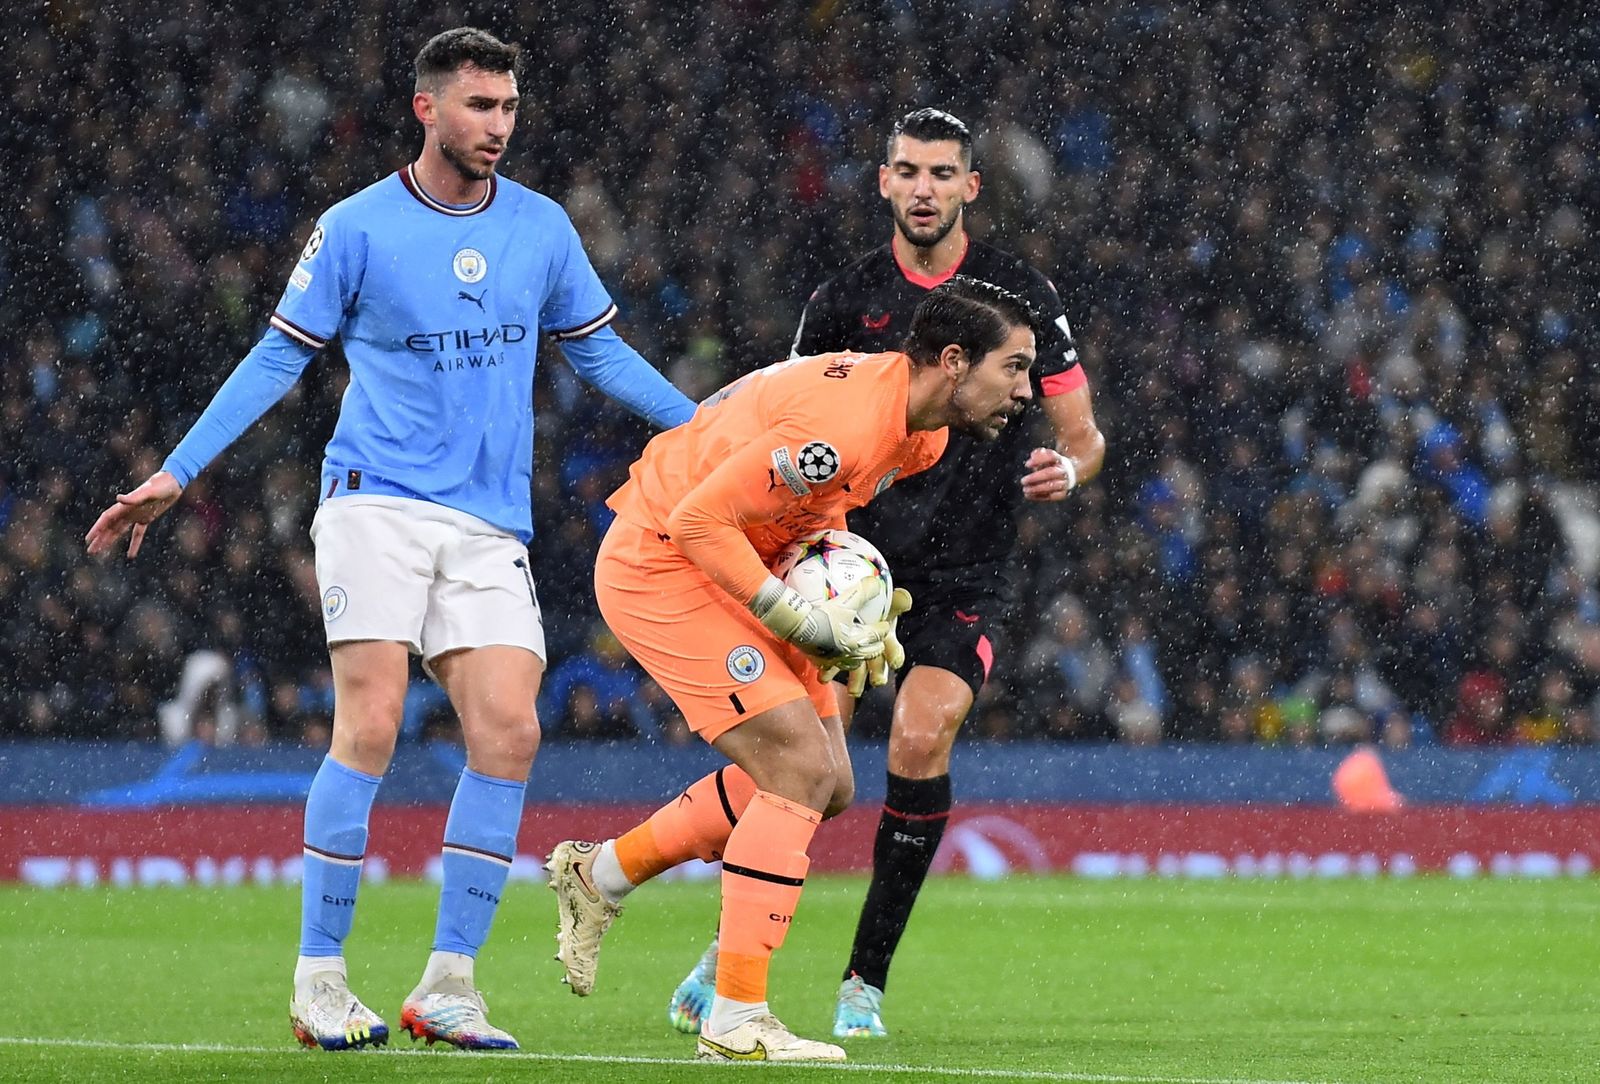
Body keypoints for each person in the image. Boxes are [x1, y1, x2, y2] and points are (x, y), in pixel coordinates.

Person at [85, 28, 695, 1052]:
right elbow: (275, 362)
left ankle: (448, 983)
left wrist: (706, 429)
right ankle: (319, 979)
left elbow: (601, 357)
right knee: (367, 724)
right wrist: (176, 472)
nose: (497, 126)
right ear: (427, 109)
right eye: (477, 107)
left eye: (507, 108)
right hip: (375, 502)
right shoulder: (356, 228)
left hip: (487, 520)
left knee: (510, 732)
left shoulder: (541, 229)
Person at [666, 107, 1106, 1039]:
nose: (922, 189)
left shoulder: (1020, 294)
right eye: (907, 171)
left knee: (919, 738)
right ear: (882, 181)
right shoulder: (843, 298)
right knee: (802, 768)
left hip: (966, 566)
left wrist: (1067, 469)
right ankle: (725, 955)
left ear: (970, 188)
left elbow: (1084, 436)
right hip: (843, 556)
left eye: (942, 174)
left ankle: (863, 979)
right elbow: (777, 420)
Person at [545, 277, 1043, 1062]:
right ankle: (735, 1016)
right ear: (954, 361)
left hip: (746, 558)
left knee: (831, 785)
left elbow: (816, 505)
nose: (1025, 389)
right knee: (796, 772)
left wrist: (850, 604)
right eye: (1014, 367)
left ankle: (601, 874)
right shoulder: (847, 425)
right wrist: (797, 617)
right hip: (664, 561)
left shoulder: (923, 433)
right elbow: (699, 519)